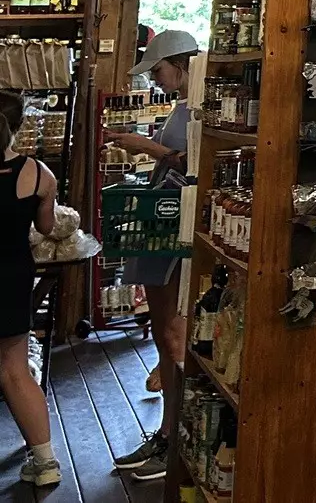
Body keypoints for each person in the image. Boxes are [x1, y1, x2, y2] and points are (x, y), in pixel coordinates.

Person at [106, 29, 198, 482]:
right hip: (166, 220)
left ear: (180, 63)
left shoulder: (199, 103)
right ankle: (167, 431)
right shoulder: (183, 103)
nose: (157, 80)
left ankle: (178, 439)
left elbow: (197, 162)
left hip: (183, 227)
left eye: (159, 70)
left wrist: (147, 147)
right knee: (165, 333)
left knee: (175, 333)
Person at [0, 92, 59, 487]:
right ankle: (45, 462)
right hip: (11, 275)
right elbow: (47, 228)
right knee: (15, 371)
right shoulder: (39, 174)